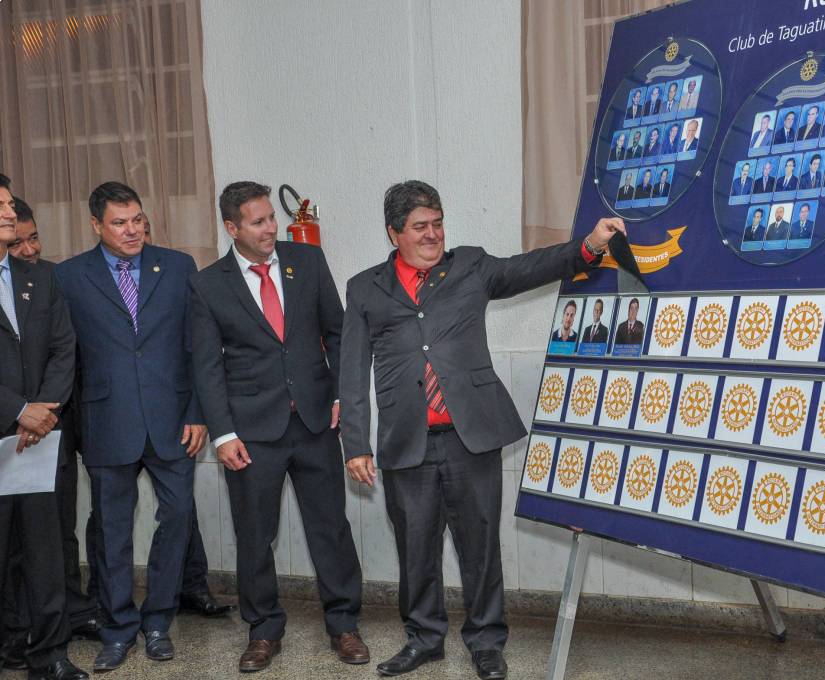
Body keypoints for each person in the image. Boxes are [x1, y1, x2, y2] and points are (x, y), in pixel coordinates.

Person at [340, 180, 623, 679]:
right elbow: (352, 369)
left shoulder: (470, 266)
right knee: (415, 549)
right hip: (406, 441)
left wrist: (589, 245)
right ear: (394, 233)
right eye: (420, 227)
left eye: (437, 223)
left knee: (481, 546)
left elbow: (530, 267)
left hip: (469, 438)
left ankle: (487, 642)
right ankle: (424, 639)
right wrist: (355, 444)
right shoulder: (365, 288)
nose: (432, 234)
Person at [190, 181, 365, 673]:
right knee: (254, 535)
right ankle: (264, 630)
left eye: (272, 218)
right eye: (259, 221)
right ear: (232, 228)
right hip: (250, 433)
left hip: (314, 422)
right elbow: (206, 365)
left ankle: (344, 624)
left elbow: (338, 332)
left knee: (330, 528)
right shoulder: (208, 285)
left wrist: (339, 395)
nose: (271, 228)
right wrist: (223, 434)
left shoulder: (306, 261)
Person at [55, 182, 205, 671]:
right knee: (111, 531)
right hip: (106, 420)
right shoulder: (69, 277)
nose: (132, 230)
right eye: (119, 223)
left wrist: (198, 412)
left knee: (178, 517)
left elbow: (198, 346)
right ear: (96, 225)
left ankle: (158, 621)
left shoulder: (178, 267)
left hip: (174, 421)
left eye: (137, 219)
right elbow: (66, 356)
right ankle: (118, 628)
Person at [3, 199, 101, 662]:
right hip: (11, 425)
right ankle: (11, 640)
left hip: (42, 435)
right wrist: (18, 409)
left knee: (48, 549)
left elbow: (65, 348)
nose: (8, 212)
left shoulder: (41, 278)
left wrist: (42, 410)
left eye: (9, 204)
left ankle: (49, 655)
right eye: (0, 205)